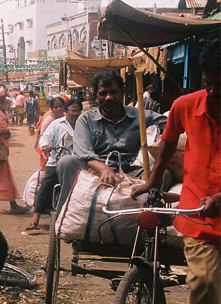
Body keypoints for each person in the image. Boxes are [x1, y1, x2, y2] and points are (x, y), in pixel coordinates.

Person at [130, 38, 220, 304]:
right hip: (198, 218)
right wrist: (151, 183)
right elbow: (166, 145)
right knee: (205, 282)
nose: (214, 91)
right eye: (209, 82)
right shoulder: (185, 106)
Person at [55, 68, 167, 210]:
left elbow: (172, 124)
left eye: (113, 92)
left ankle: (152, 214)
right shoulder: (86, 119)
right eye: (103, 93)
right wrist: (104, 169)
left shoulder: (140, 115)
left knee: (164, 171)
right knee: (66, 162)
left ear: (122, 92)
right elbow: (84, 153)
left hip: (132, 171)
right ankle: (64, 213)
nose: (108, 97)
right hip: (94, 170)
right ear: (96, 96)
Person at [27, 99, 82, 231]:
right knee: (46, 186)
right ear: (66, 112)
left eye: (77, 111)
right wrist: (45, 145)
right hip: (56, 161)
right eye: (72, 111)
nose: (74, 114)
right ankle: (35, 219)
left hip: (77, 163)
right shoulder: (56, 124)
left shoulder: (84, 124)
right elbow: (45, 137)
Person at [34, 96, 66, 167]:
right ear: (52, 109)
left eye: (61, 106)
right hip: (49, 154)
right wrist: (48, 157)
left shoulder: (67, 118)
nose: (59, 109)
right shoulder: (49, 120)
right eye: (56, 107)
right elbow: (43, 137)